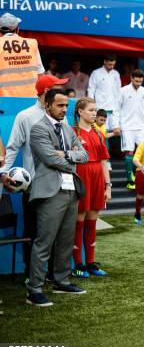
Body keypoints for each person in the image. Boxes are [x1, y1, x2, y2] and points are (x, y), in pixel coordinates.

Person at [0, 76, 68, 279]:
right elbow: (12, 148)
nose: (60, 91)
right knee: (33, 233)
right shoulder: (25, 116)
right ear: (46, 91)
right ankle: (32, 274)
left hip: (60, 185)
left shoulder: (62, 115)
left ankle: (54, 276)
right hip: (34, 187)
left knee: (57, 233)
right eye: (57, 87)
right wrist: (4, 173)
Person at [26, 89, 88, 307]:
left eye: (66, 105)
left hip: (71, 190)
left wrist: (67, 154)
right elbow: (50, 159)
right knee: (44, 242)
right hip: (50, 191)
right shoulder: (38, 129)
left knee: (65, 241)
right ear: (48, 106)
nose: (64, 109)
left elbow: (84, 155)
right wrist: (70, 158)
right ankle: (34, 290)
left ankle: (61, 281)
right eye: (60, 105)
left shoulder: (68, 129)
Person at [71, 98, 111, 278]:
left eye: (96, 110)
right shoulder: (72, 132)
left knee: (92, 219)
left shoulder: (99, 134)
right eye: (91, 110)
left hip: (97, 179)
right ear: (80, 111)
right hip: (81, 177)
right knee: (78, 219)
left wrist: (107, 186)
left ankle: (91, 263)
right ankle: (78, 264)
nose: (95, 113)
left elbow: (104, 162)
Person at [116, 69, 144, 190]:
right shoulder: (123, 91)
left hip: (141, 127)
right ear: (131, 78)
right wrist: (117, 125)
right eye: (136, 81)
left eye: (140, 81)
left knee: (143, 152)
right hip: (127, 127)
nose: (138, 83)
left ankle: (137, 176)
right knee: (129, 152)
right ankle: (130, 181)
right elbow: (117, 109)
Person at [0, 13, 44, 97]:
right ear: (17, 29)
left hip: (4, 101)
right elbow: (40, 75)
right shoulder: (32, 43)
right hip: (30, 99)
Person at [87, 54, 121, 136]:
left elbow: (119, 91)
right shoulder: (96, 73)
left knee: (115, 132)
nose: (111, 66)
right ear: (105, 62)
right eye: (110, 64)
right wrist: (91, 106)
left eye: (113, 64)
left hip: (113, 108)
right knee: (99, 132)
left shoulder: (116, 74)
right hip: (100, 107)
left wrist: (119, 106)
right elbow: (91, 90)